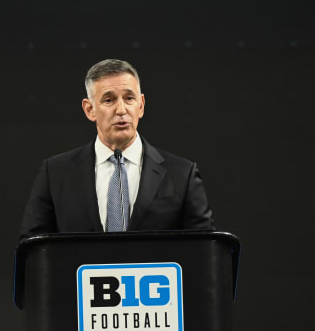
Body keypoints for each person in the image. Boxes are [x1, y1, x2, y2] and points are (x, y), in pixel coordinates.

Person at [18, 59, 214, 242]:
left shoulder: (181, 174)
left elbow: (204, 251)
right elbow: (33, 249)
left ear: (141, 106)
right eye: (109, 100)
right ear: (90, 110)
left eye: (129, 98)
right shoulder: (55, 173)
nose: (121, 109)